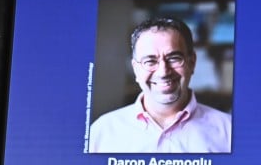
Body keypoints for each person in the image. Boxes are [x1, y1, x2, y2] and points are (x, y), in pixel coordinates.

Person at [89, 17, 231, 153]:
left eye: (174, 58)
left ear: (192, 62)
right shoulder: (102, 132)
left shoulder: (229, 131)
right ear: (136, 69)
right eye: (150, 61)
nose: (163, 72)